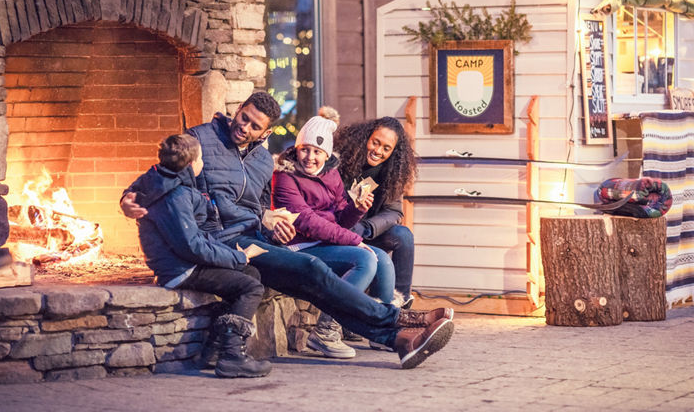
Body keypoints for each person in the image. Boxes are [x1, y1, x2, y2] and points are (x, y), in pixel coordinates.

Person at [121, 92, 453, 370]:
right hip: (219, 243)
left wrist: (271, 223)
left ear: (265, 133)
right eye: (243, 117)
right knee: (311, 268)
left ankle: (398, 339)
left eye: (254, 125)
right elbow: (158, 175)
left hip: (251, 238)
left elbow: (260, 210)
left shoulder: (264, 162)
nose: (244, 126)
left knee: (312, 283)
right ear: (237, 111)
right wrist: (128, 200)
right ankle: (397, 322)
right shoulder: (200, 138)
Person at [129, 133, 271, 378]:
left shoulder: (165, 182)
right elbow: (190, 246)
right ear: (192, 164)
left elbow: (194, 238)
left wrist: (231, 255)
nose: (203, 163)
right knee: (250, 288)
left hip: (183, 264)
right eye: (202, 158)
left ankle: (215, 348)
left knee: (251, 273)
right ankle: (231, 356)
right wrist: (236, 258)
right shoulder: (175, 196)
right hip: (179, 269)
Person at [272, 115, 396, 359]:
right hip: (299, 246)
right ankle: (326, 331)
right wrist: (354, 241)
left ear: (326, 155)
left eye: (317, 151)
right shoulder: (285, 176)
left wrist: (357, 208)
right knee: (365, 259)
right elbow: (307, 222)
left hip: (324, 243)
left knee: (382, 259)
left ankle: (380, 329)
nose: (310, 157)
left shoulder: (332, 175)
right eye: (304, 149)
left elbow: (341, 220)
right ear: (296, 150)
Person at [333, 117, 418, 308]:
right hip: (340, 229)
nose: (378, 151)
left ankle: (400, 303)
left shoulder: (392, 172)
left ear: (393, 152)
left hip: (367, 231)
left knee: (403, 235)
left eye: (386, 148)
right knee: (377, 256)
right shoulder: (342, 161)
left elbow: (394, 212)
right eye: (375, 142)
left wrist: (368, 228)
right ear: (365, 137)